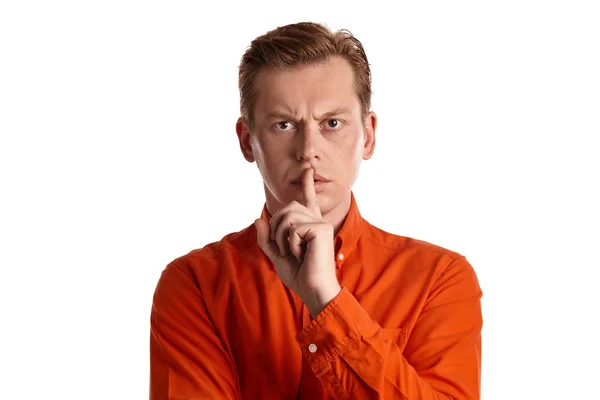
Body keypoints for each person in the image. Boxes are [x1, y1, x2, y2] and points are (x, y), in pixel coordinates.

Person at [149, 21, 483, 400]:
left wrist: (327, 299)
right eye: (284, 124)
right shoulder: (194, 284)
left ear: (368, 136)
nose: (308, 149)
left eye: (332, 123)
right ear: (247, 141)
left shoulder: (440, 279)